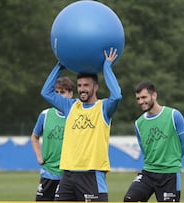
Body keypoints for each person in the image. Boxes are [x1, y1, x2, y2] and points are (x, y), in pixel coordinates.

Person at [41, 47, 121, 201]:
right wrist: (60, 65)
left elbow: (116, 96)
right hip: (68, 174)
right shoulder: (70, 106)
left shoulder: (103, 108)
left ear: (95, 87)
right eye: (79, 86)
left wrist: (107, 67)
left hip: (91, 174)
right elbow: (46, 92)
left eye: (86, 85)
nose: (82, 89)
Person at [123, 82, 184, 202]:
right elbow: (145, 149)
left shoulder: (174, 115)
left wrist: (170, 161)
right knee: (130, 199)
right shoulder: (139, 123)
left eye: (144, 97)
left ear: (154, 95)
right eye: (138, 98)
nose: (141, 101)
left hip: (170, 175)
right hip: (148, 173)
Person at [31, 76, 74, 201]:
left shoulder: (76, 115)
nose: (59, 95)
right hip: (48, 173)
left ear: (71, 94)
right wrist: (39, 157)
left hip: (68, 174)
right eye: (56, 92)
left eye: (63, 92)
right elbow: (34, 137)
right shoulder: (45, 115)